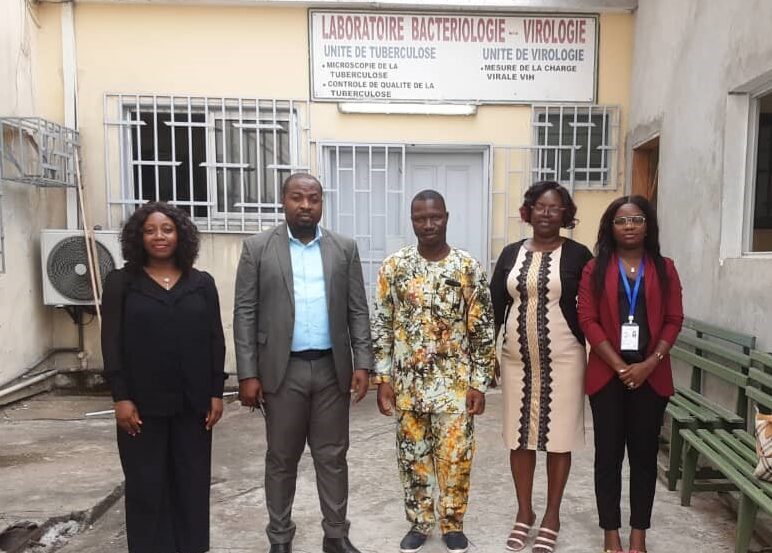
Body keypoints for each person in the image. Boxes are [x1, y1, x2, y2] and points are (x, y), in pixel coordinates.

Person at [233, 173, 372, 553]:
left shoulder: (344, 248)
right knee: (281, 458)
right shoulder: (258, 248)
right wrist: (248, 373)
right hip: (282, 370)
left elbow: (357, 309)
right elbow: (245, 312)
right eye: (297, 198)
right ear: (284, 201)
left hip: (331, 370)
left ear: (322, 203)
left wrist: (364, 362)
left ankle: (336, 535)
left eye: (313, 198)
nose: (306, 205)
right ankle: (280, 538)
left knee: (332, 457)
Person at [372, 189, 495, 553]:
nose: (428, 224)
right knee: (413, 459)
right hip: (408, 387)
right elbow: (382, 323)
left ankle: (453, 523)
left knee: (456, 459)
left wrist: (479, 383)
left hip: (455, 389)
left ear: (447, 217)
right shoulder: (394, 267)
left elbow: (483, 328)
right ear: (412, 221)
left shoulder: (467, 268)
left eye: (435, 217)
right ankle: (420, 522)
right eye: (420, 218)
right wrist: (384, 379)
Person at [101, 202, 226, 553]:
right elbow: (111, 343)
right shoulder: (121, 283)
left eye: (167, 229)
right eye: (151, 230)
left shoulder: (202, 284)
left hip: (193, 404)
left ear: (180, 235)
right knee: (146, 484)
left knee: (191, 483)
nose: (159, 236)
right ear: (138, 237)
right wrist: (120, 397)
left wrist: (216, 392)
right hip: (141, 406)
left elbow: (215, 339)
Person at [489, 181, 593, 553]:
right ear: (528, 211)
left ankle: (552, 514)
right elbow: (494, 304)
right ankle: (524, 512)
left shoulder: (580, 254)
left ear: (565, 215)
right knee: (520, 437)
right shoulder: (509, 253)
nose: (547, 214)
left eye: (555, 208)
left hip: (565, 357)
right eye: (540, 207)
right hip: (517, 359)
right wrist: (490, 353)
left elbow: (592, 307)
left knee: (559, 437)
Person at [577, 195, 683, 553]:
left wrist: (649, 362)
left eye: (637, 219)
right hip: (608, 377)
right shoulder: (596, 268)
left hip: (651, 377)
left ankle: (639, 534)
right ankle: (611, 532)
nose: (630, 226)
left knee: (643, 458)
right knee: (608, 457)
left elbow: (674, 320)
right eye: (622, 221)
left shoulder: (665, 268)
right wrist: (621, 366)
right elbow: (588, 320)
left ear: (648, 225)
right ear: (610, 227)